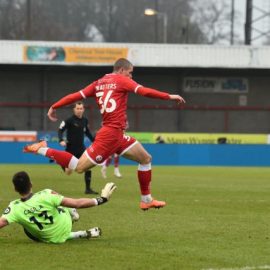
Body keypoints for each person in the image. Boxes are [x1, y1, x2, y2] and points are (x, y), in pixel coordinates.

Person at [23, 58, 185, 211]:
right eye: (130, 72)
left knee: (145, 159)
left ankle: (146, 200)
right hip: (110, 135)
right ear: (121, 70)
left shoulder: (98, 83)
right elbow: (144, 91)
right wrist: (169, 96)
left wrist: (55, 105)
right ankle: (42, 149)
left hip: (118, 134)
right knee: (79, 167)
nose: (131, 76)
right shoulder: (122, 80)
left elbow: (75, 96)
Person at [0, 171, 116, 244]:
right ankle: (71, 213)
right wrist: (102, 199)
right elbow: (77, 203)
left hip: (49, 239)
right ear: (31, 184)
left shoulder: (14, 207)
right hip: (65, 222)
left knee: (27, 228)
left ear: (15, 189)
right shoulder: (46, 193)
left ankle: (78, 233)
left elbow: (1, 223)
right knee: (60, 202)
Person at [58, 101, 97, 194]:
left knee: (88, 166)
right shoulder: (69, 120)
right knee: (68, 172)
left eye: (81, 109)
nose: (79, 110)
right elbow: (60, 130)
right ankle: (60, 161)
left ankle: (88, 189)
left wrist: (95, 142)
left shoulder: (85, 120)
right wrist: (61, 140)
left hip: (81, 148)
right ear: (74, 109)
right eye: (77, 109)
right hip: (70, 149)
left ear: (83, 109)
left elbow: (87, 132)